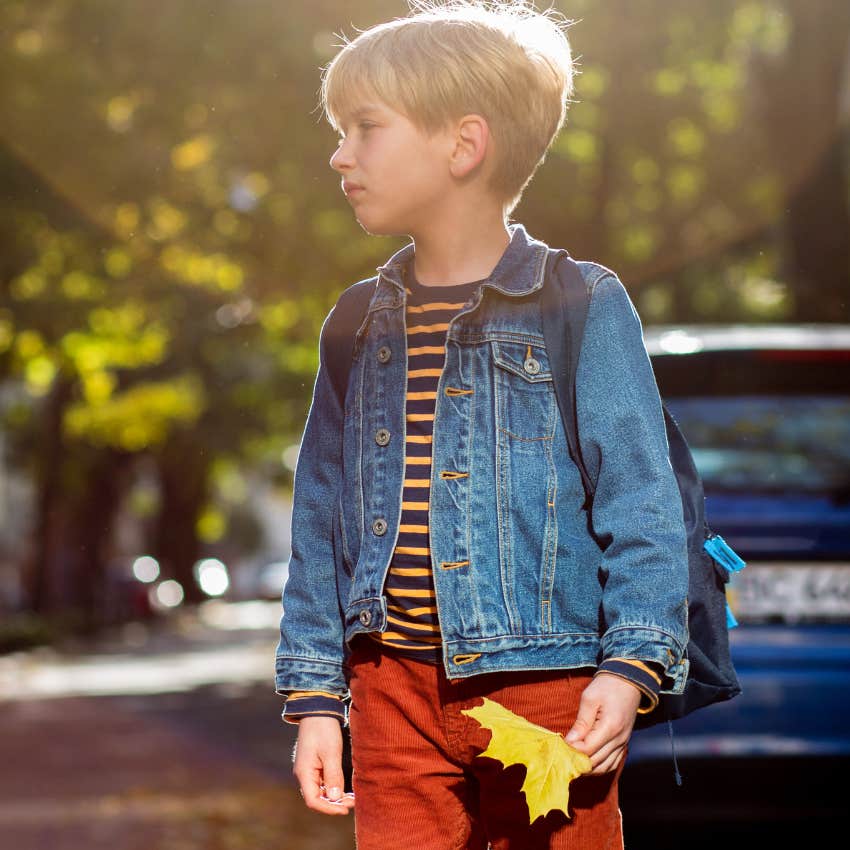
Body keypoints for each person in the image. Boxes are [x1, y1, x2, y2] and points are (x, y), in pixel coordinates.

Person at [275, 2, 689, 847]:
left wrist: (630, 666)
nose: (339, 153)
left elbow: (643, 503)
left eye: (365, 128)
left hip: (549, 685)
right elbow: (320, 525)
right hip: (390, 693)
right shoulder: (357, 324)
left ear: (463, 146)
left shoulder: (580, 305)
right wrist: (317, 700)